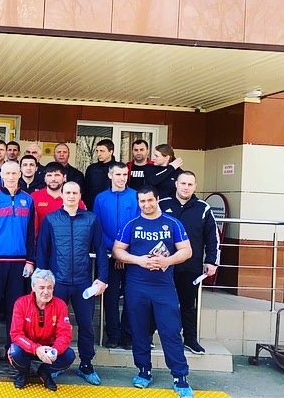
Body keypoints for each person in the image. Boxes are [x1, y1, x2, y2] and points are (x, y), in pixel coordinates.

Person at [112, 185, 194, 397]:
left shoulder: (172, 223)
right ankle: (143, 371)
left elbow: (187, 250)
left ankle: (180, 377)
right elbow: (117, 250)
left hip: (163, 287)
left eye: (150, 200)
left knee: (170, 331)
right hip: (136, 287)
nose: (146, 204)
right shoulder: (131, 224)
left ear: (157, 200)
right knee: (139, 331)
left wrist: (168, 260)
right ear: (138, 202)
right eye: (142, 201)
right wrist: (137, 260)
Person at [36, 181, 108, 386]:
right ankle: (55, 363)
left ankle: (86, 365)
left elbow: (100, 250)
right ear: (62, 195)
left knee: (86, 324)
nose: (71, 196)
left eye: (75, 192)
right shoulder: (51, 219)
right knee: (54, 325)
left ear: (80, 195)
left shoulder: (91, 219)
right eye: (67, 192)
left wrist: (103, 278)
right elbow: (42, 250)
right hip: (57, 282)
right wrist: (42, 280)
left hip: (83, 282)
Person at [0, 161, 35, 368]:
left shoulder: (28, 200)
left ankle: (13, 351)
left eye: (14, 173)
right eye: (7, 173)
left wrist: (30, 260)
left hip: (19, 263)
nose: (11, 177)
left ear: (20, 174)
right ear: (1, 175)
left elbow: (32, 233)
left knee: (16, 311)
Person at [159, 171, 219, 355]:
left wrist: (211, 261)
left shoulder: (203, 208)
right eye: (183, 183)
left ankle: (190, 340)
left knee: (188, 305)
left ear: (195, 187)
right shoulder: (162, 204)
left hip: (191, 266)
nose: (186, 187)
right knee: (159, 301)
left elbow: (212, 237)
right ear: (176, 184)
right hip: (163, 265)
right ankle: (149, 336)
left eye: (190, 184)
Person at [92, 162, 139, 350]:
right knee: (110, 298)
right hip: (108, 255)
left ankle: (127, 335)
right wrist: (114, 251)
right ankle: (113, 334)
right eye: (118, 174)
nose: (122, 178)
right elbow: (97, 226)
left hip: (132, 256)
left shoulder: (135, 196)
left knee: (131, 296)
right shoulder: (101, 198)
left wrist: (124, 253)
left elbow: (138, 225)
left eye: (125, 174)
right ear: (110, 176)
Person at [8, 269, 76, 391]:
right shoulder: (21, 303)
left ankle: (45, 372)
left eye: (49, 287)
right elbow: (16, 334)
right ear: (33, 287)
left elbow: (65, 334)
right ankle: (24, 372)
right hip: (27, 347)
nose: (46, 292)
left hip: (49, 349)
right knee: (14, 352)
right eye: (41, 287)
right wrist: (36, 349)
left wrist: (55, 350)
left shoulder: (60, 305)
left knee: (69, 355)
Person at [31, 162, 86, 233]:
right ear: (44, 178)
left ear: (64, 177)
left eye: (57, 175)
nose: (53, 179)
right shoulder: (34, 197)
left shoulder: (73, 199)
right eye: (49, 175)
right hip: (42, 239)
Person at [84, 138, 116, 209]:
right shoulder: (91, 169)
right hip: (93, 208)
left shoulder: (118, 168)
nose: (98, 154)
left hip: (113, 208)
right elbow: (85, 190)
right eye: (97, 151)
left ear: (111, 152)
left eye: (102, 151)